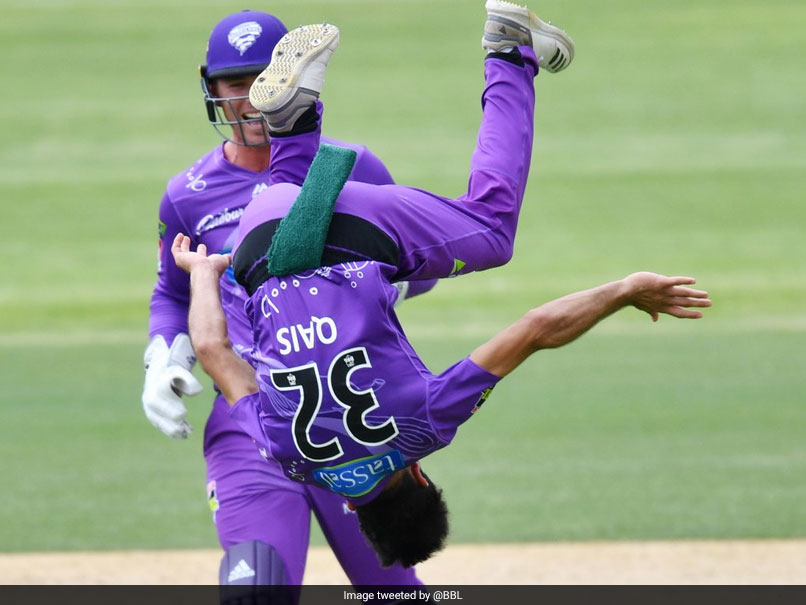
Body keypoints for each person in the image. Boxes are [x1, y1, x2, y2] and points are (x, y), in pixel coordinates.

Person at [174, 1, 709, 567]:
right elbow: (214, 350)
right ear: (355, 512)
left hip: (350, 243)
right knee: (290, 209)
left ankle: (509, 51)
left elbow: (535, 330)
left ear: (422, 480)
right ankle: (291, 126)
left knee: (492, 230)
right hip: (256, 238)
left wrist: (622, 291)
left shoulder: (423, 428)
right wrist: (207, 275)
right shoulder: (289, 455)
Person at [143, 9, 433, 589]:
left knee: (395, 591)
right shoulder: (187, 195)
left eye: (264, 79)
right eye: (235, 84)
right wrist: (162, 358)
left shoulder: (352, 168)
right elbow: (172, 293)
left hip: (353, 417)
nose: (251, 99)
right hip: (247, 420)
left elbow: (420, 262)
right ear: (212, 90)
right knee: (257, 588)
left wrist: (373, 283)